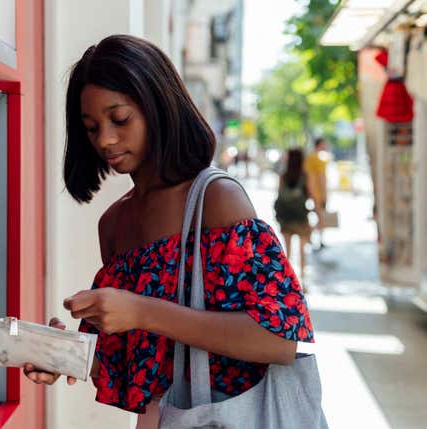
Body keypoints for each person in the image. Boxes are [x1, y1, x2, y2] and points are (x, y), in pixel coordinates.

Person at [23, 35, 314, 428]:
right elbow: (141, 365)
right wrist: (64, 354)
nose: (106, 139)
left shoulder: (216, 199)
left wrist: (143, 311)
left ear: (157, 106)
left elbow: (279, 338)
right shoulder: (113, 224)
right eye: (92, 128)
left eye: (120, 119)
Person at [274, 149, 311, 286]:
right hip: (301, 216)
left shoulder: (283, 176)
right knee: (302, 251)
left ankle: (287, 281)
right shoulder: (305, 176)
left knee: (287, 251)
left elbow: (279, 195)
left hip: (286, 217)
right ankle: (302, 281)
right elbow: (312, 194)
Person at [303, 137, 330, 250]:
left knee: (314, 217)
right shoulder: (319, 159)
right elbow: (321, 178)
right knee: (320, 217)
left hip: (310, 192)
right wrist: (324, 194)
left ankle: (310, 238)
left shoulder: (308, 159)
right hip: (318, 193)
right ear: (319, 145)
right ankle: (318, 239)